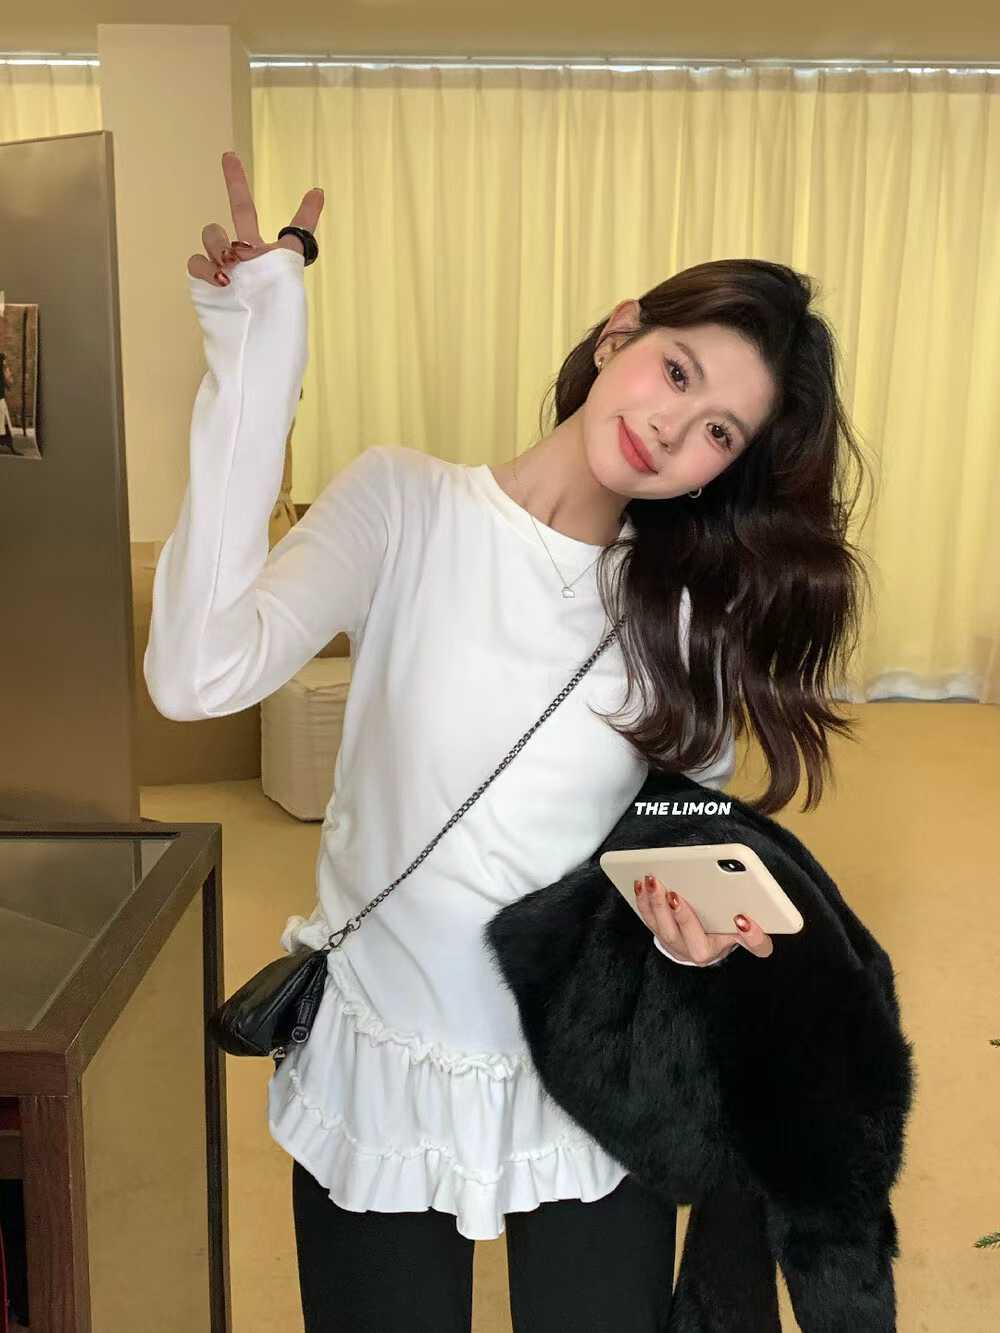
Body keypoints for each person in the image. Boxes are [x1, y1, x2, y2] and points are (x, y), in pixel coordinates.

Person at [145, 152, 873, 1332]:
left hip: (588, 1070)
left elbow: (675, 822)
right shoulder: (404, 503)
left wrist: (693, 930)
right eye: (674, 371)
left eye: (715, 431)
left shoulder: (684, 610)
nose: (668, 427)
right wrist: (253, 358)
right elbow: (196, 676)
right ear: (619, 333)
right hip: (383, 1055)